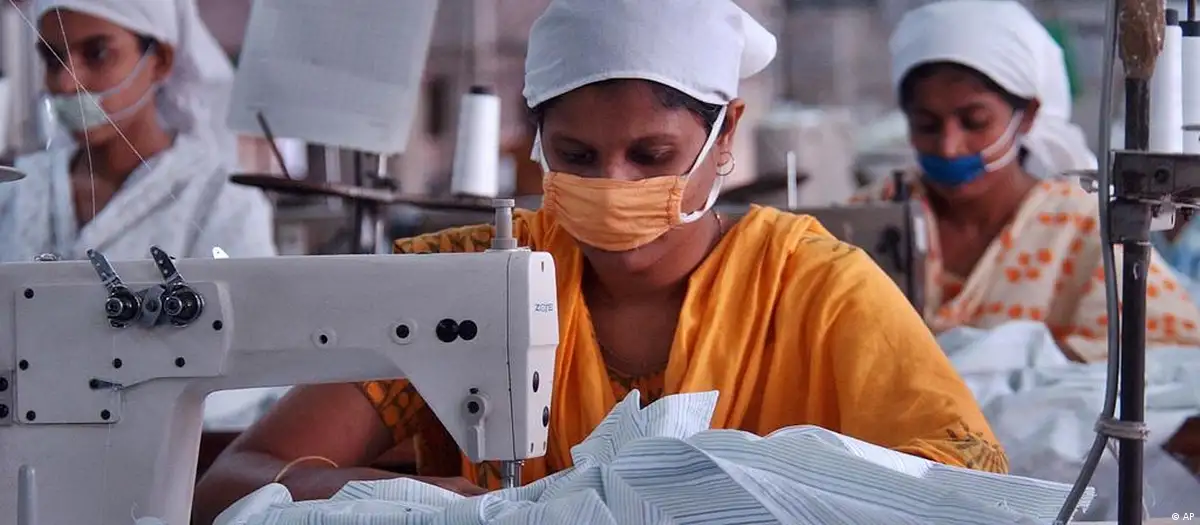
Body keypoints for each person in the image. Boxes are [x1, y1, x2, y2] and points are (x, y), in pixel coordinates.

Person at [193, 0, 1005, 521]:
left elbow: (970, 486)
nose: (612, 187)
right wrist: (422, 499)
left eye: (652, 156)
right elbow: (232, 480)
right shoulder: (469, 279)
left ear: (725, 134)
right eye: (576, 155)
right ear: (535, 139)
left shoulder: (819, 289)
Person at [851, 0, 1200, 362]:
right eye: (926, 124)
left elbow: (1176, 349)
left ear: (1028, 116)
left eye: (975, 121)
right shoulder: (864, 219)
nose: (949, 146)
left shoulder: (1080, 228)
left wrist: (1032, 361)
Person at [0, 0, 276, 263]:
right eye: (53, 59)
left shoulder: (221, 200)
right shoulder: (17, 189)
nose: (66, 83)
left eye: (97, 54)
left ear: (160, 61)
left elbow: (247, 296)